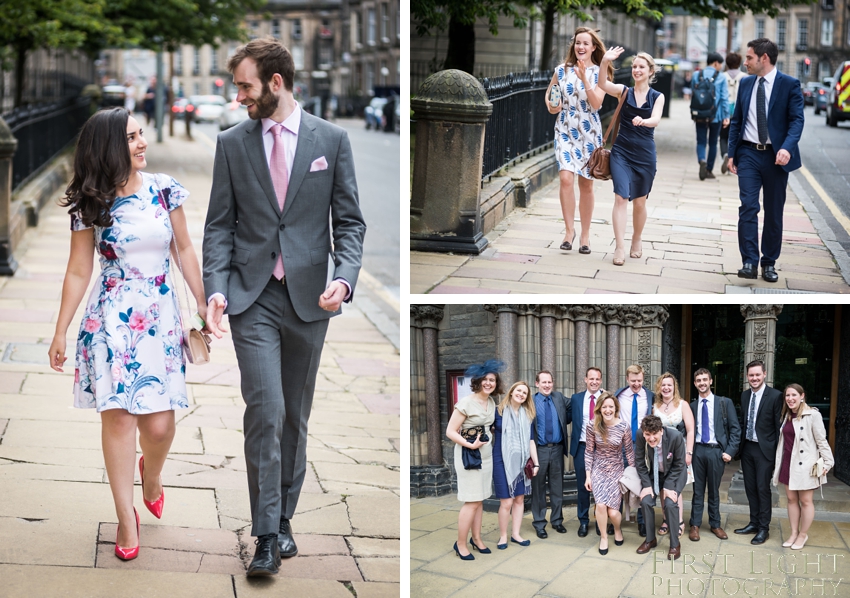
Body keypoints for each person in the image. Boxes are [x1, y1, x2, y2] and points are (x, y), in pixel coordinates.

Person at [202, 37, 366, 576]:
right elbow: (219, 227)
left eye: (245, 86)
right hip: (252, 298)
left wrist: (343, 282)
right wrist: (217, 289)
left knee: (295, 416)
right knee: (265, 411)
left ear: (276, 83)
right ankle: (266, 536)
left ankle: (285, 516)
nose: (239, 98)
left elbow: (350, 224)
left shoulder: (332, 140)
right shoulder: (231, 143)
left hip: (309, 301)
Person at [47, 108, 206, 561]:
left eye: (141, 135)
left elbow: (185, 248)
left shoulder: (163, 188)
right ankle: (124, 516)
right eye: (132, 137)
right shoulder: (89, 202)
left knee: (160, 426)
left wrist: (201, 301)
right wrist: (60, 330)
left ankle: (150, 475)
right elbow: (79, 269)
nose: (142, 143)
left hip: (158, 319)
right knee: (117, 418)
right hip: (109, 319)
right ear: (110, 147)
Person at [726, 38, 804, 283]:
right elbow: (736, 120)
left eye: (749, 58)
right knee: (748, 206)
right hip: (748, 153)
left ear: (764, 58)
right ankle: (749, 260)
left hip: (776, 157)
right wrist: (731, 153)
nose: (745, 62)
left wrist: (787, 148)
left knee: (773, 212)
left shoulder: (789, 84)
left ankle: (769, 263)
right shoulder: (746, 84)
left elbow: (797, 121)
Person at [545, 27, 613, 254]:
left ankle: (585, 235)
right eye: (577, 43)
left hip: (588, 132)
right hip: (564, 129)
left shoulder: (600, 72)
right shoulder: (561, 70)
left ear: (594, 47)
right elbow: (551, 94)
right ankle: (568, 231)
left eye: (586, 43)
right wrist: (551, 104)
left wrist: (584, 79)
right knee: (565, 178)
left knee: (586, 183)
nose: (581, 47)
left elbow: (596, 104)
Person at [597, 48, 665, 266]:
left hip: (645, 156)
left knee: (639, 203)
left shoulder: (657, 97)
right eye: (634, 66)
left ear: (650, 71)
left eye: (641, 67)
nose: (637, 70)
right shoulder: (623, 92)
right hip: (621, 152)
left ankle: (637, 237)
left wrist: (643, 121)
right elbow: (602, 85)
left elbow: (655, 119)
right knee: (620, 197)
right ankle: (619, 246)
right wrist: (605, 62)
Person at [445, 361, 504, 560]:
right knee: (471, 501)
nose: (489, 383)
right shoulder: (466, 403)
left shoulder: (491, 402)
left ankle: (476, 539)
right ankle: (460, 543)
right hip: (468, 455)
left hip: (485, 455)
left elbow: (488, 426)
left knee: (479, 500)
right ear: (478, 381)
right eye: (485, 380)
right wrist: (470, 445)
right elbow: (450, 431)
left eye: (492, 380)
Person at [772, 384, 834, 550]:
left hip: (805, 465)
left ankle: (802, 534)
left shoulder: (813, 414)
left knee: (806, 501)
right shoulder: (787, 415)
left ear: (802, 396)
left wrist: (828, 462)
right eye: (787, 395)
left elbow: (821, 440)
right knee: (791, 500)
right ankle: (793, 533)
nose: (790, 398)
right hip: (788, 463)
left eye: (794, 395)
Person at [687, 368, 741, 542]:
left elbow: (735, 429)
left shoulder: (724, 403)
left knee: (714, 491)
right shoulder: (692, 406)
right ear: (695, 384)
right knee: (697, 490)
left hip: (716, 451)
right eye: (698, 380)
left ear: (711, 381)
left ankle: (715, 524)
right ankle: (694, 525)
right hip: (697, 451)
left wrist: (729, 451)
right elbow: (686, 429)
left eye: (705, 379)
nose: (702, 383)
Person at [734, 359, 782, 545]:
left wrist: (777, 455)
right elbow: (743, 421)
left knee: (763, 489)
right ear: (747, 377)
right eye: (751, 375)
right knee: (750, 488)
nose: (754, 378)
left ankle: (764, 528)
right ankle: (753, 523)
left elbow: (778, 427)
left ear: (764, 374)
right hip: (747, 448)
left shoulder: (776, 396)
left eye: (757, 374)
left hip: (765, 450)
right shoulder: (745, 395)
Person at [584, 393, 635, 555]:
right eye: (604, 407)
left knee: (613, 512)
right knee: (600, 505)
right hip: (598, 470)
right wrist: (588, 475)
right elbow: (589, 452)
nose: (607, 410)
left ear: (616, 409)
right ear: (599, 409)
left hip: (616, 471)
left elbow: (629, 452)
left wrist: (633, 475)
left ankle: (618, 529)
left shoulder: (623, 427)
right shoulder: (592, 426)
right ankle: (604, 537)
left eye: (610, 407)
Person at [493, 381, 539, 549]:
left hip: (522, 463)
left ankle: (516, 534)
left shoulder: (527, 415)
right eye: (518, 391)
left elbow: (531, 441)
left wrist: (536, 463)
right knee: (506, 502)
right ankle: (503, 536)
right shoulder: (498, 411)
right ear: (511, 392)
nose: (521, 394)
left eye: (525, 393)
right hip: (501, 460)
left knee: (519, 499)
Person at [635, 414, 688, 560]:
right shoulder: (640, 434)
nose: (651, 438)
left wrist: (669, 487)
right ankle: (650, 540)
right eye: (648, 435)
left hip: (675, 473)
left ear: (661, 431)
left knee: (670, 504)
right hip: (655, 473)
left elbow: (679, 465)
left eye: (654, 434)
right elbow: (639, 462)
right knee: (645, 501)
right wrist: (646, 485)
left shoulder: (675, 436)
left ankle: (674, 544)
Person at [652, 372, 694, 539]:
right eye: (663, 385)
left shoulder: (682, 404)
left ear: (674, 387)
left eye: (669, 384)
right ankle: (665, 519)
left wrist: (689, 452)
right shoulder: (655, 406)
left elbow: (690, 430)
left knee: (676, 487)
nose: (666, 387)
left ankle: (678, 521)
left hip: (679, 451)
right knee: (663, 486)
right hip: (660, 452)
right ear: (659, 387)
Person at [614, 364, 655, 536]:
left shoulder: (650, 396)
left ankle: (642, 521)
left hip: (642, 445)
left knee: (642, 481)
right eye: (633, 381)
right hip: (622, 445)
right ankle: (614, 519)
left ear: (643, 379)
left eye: (639, 380)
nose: (636, 384)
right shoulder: (618, 395)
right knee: (617, 482)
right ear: (627, 379)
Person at [530, 370, 570, 539]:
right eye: (543, 382)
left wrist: (601, 395)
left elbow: (578, 402)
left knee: (557, 486)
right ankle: (539, 523)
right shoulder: (530, 401)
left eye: (549, 382)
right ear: (537, 383)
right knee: (538, 488)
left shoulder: (559, 397)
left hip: (557, 449)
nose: (547, 385)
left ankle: (557, 520)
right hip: (538, 450)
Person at [569, 366, 604, 537]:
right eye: (591, 378)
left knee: (600, 487)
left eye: (597, 379)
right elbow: (565, 417)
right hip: (582, 447)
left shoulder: (605, 399)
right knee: (583, 486)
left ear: (601, 381)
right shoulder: (576, 399)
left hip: (602, 449)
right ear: (585, 379)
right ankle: (583, 521)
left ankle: (600, 520)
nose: (594, 382)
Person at [691, 52, 729, 181]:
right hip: (715, 115)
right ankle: (709, 170)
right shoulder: (722, 77)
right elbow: (724, 98)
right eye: (720, 65)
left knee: (701, 141)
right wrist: (726, 116)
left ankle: (702, 160)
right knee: (713, 142)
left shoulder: (697, 75)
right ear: (716, 63)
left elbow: (694, 93)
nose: (721, 67)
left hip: (700, 113)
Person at [720, 53, 746, 174]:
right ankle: (733, 162)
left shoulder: (722, 76)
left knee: (723, 137)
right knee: (735, 137)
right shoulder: (745, 77)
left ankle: (725, 154)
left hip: (724, 110)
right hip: (739, 111)